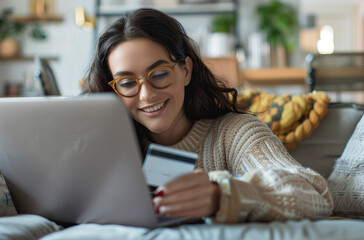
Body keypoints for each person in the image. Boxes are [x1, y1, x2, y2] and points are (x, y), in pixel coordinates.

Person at [83, 8, 333, 223]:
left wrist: (223, 195)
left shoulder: (234, 133)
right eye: (127, 83)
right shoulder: (108, 146)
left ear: (186, 71)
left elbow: (315, 195)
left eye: (159, 74)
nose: (147, 95)